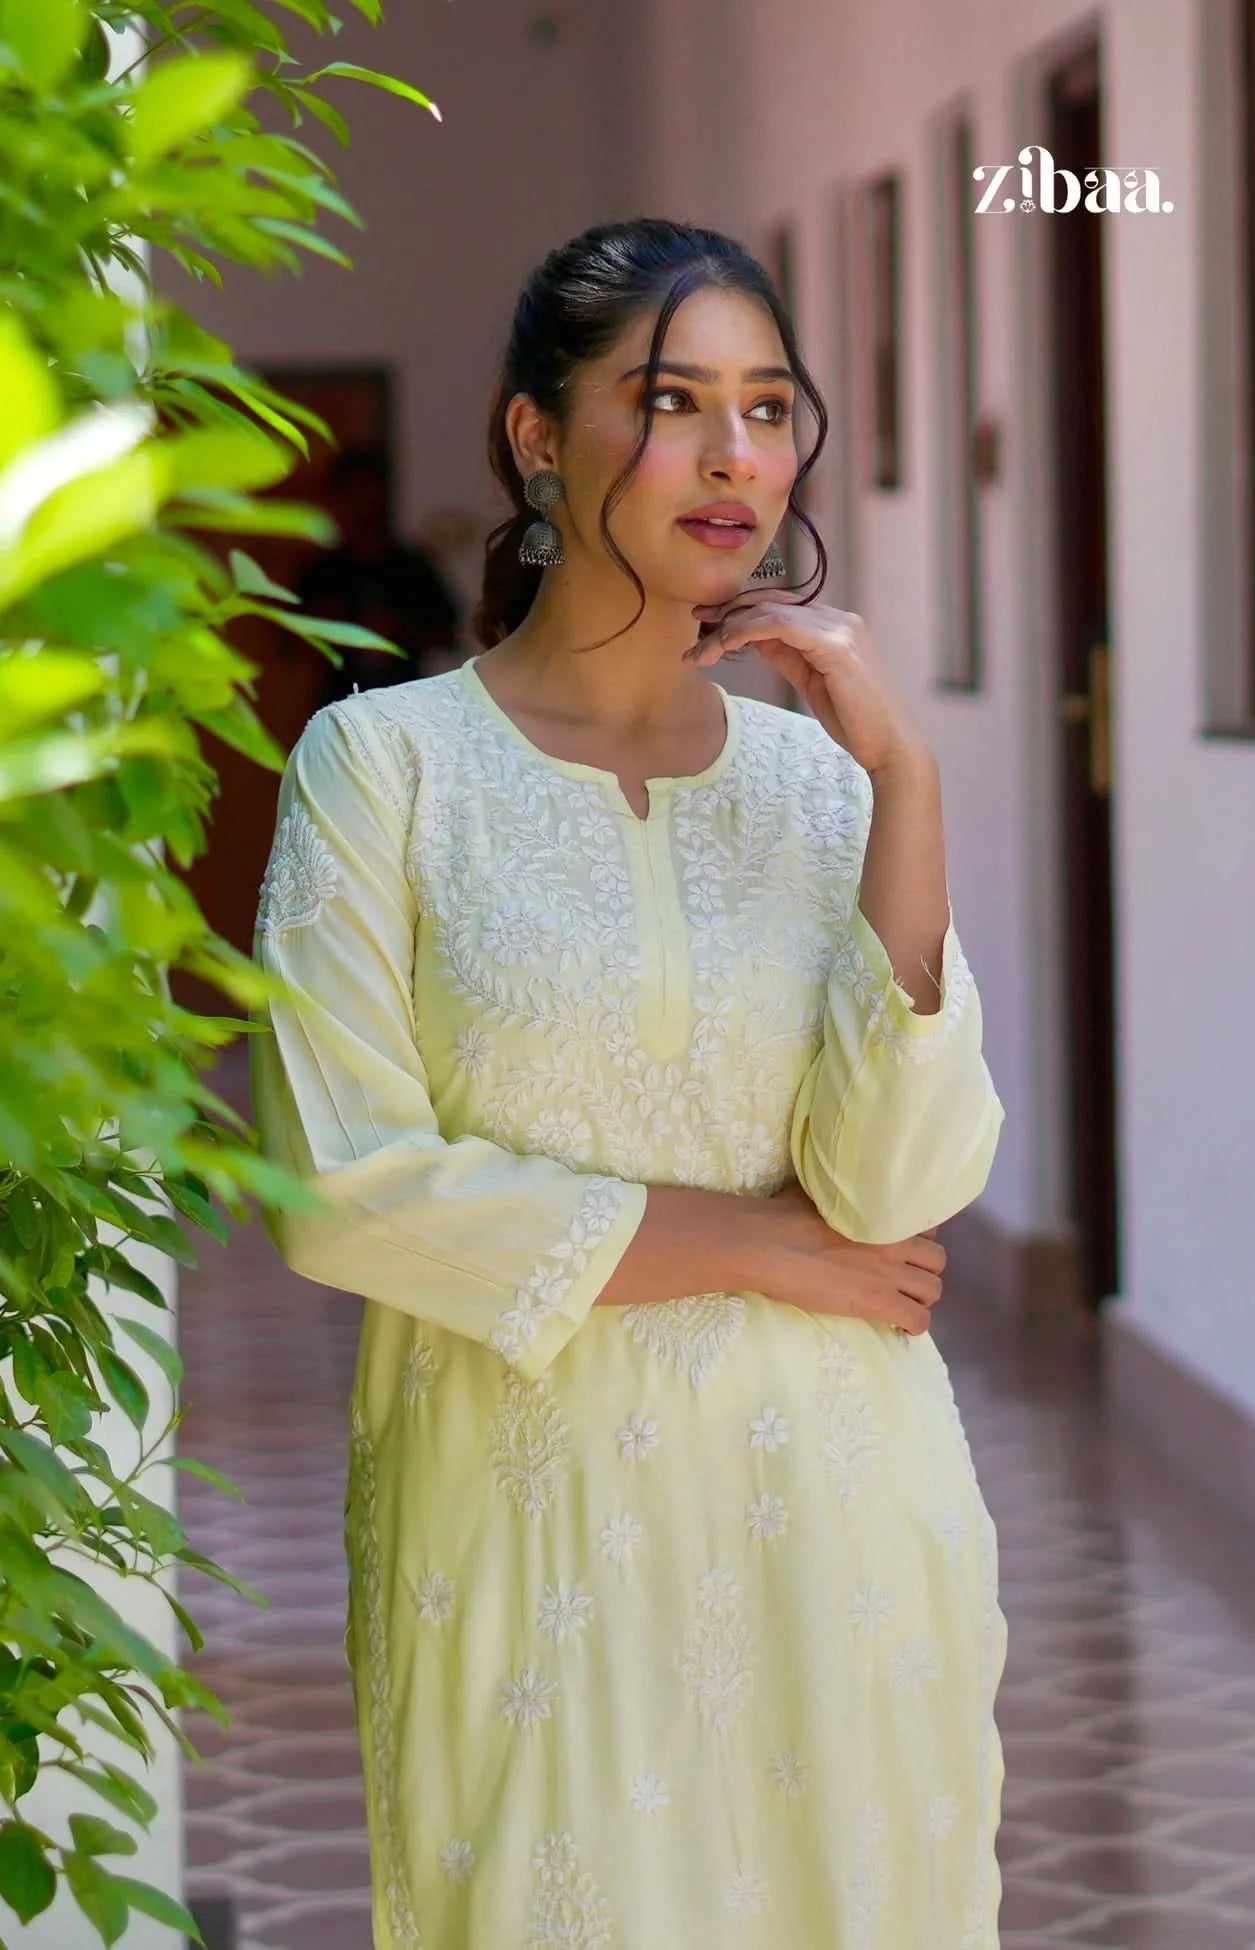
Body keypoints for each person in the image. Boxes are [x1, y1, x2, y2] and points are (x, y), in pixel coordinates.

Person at [249, 217, 1008, 1947]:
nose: (736, 454)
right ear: (538, 435)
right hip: (525, 1530)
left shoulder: (823, 787)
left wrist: (905, 778)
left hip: (841, 1521)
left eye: (768, 405)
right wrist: (763, 1246)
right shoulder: (386, 768)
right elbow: (336, 1187)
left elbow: (897, 1189)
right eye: (673, 401)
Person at [297, 446, 462, 707]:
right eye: (354, 491)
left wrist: (400, 630)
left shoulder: (413, 568)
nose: (364, 500)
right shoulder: (324, 571)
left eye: (369, 489)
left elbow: (448, 634)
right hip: (340, 704)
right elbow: (288, 642)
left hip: (405, 704)